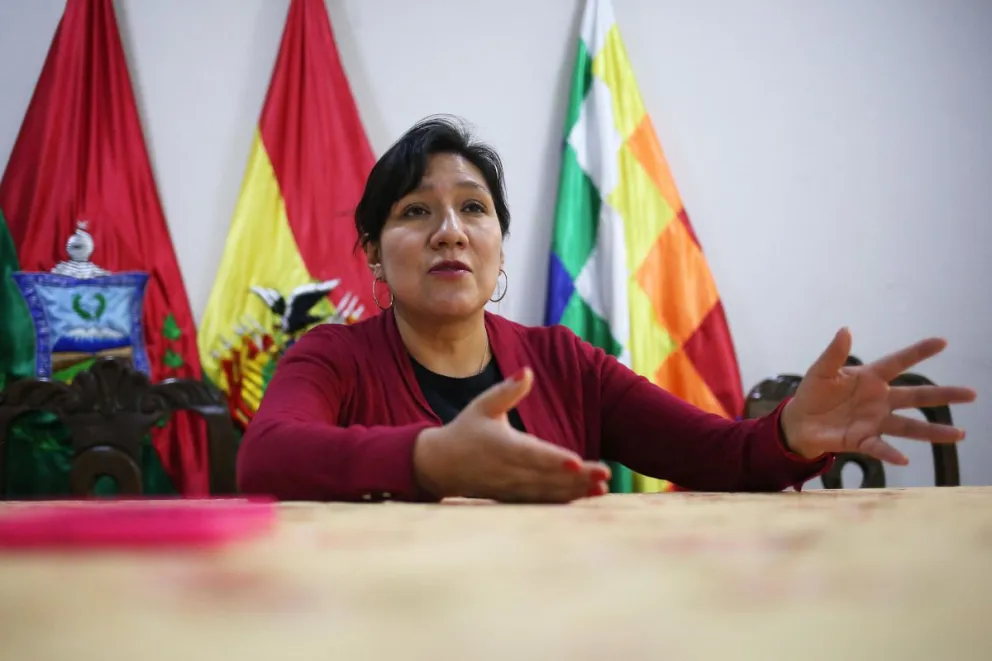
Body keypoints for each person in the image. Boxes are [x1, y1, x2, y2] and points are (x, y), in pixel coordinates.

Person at [236, 116, 976, 503]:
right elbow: (264, 456)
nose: (450, 230)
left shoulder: (564, 362)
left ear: (499, 243)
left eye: (473, 208)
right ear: (372, 251)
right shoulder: (330, 357)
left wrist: (791, 432)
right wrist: (429, 459)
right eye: (415, 211)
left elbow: (720, 455)